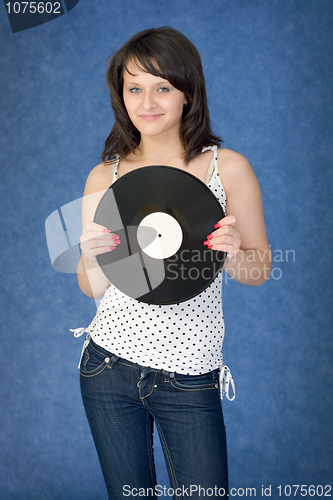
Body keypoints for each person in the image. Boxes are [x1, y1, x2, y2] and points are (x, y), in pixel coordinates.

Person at [76, 27, 270, 499]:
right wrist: (92, 254)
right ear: (121, 98)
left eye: (163, 87)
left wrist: (234, 249)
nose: (148, 102)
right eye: (134, 89)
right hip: (107, 369)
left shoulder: (229, 168)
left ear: (188, 92)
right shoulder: (106, 175)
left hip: (190, 377)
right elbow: (91, 287)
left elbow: (259, 269)